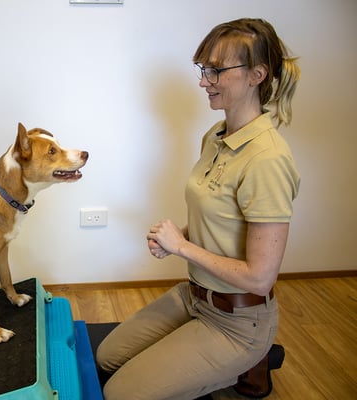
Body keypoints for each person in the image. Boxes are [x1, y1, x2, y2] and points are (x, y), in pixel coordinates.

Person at [96, 18, 301, 400]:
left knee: (120, 393)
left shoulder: (268, 160)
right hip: (195, 295)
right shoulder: (216, 135)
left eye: (216, 70)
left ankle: (252, 358)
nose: (204, 80)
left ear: (257, 74)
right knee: (107, 358)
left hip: (238, 321)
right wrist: (182, 236)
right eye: (203, 68)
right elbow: (221, 218)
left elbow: (259, 278)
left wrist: (181, 247)